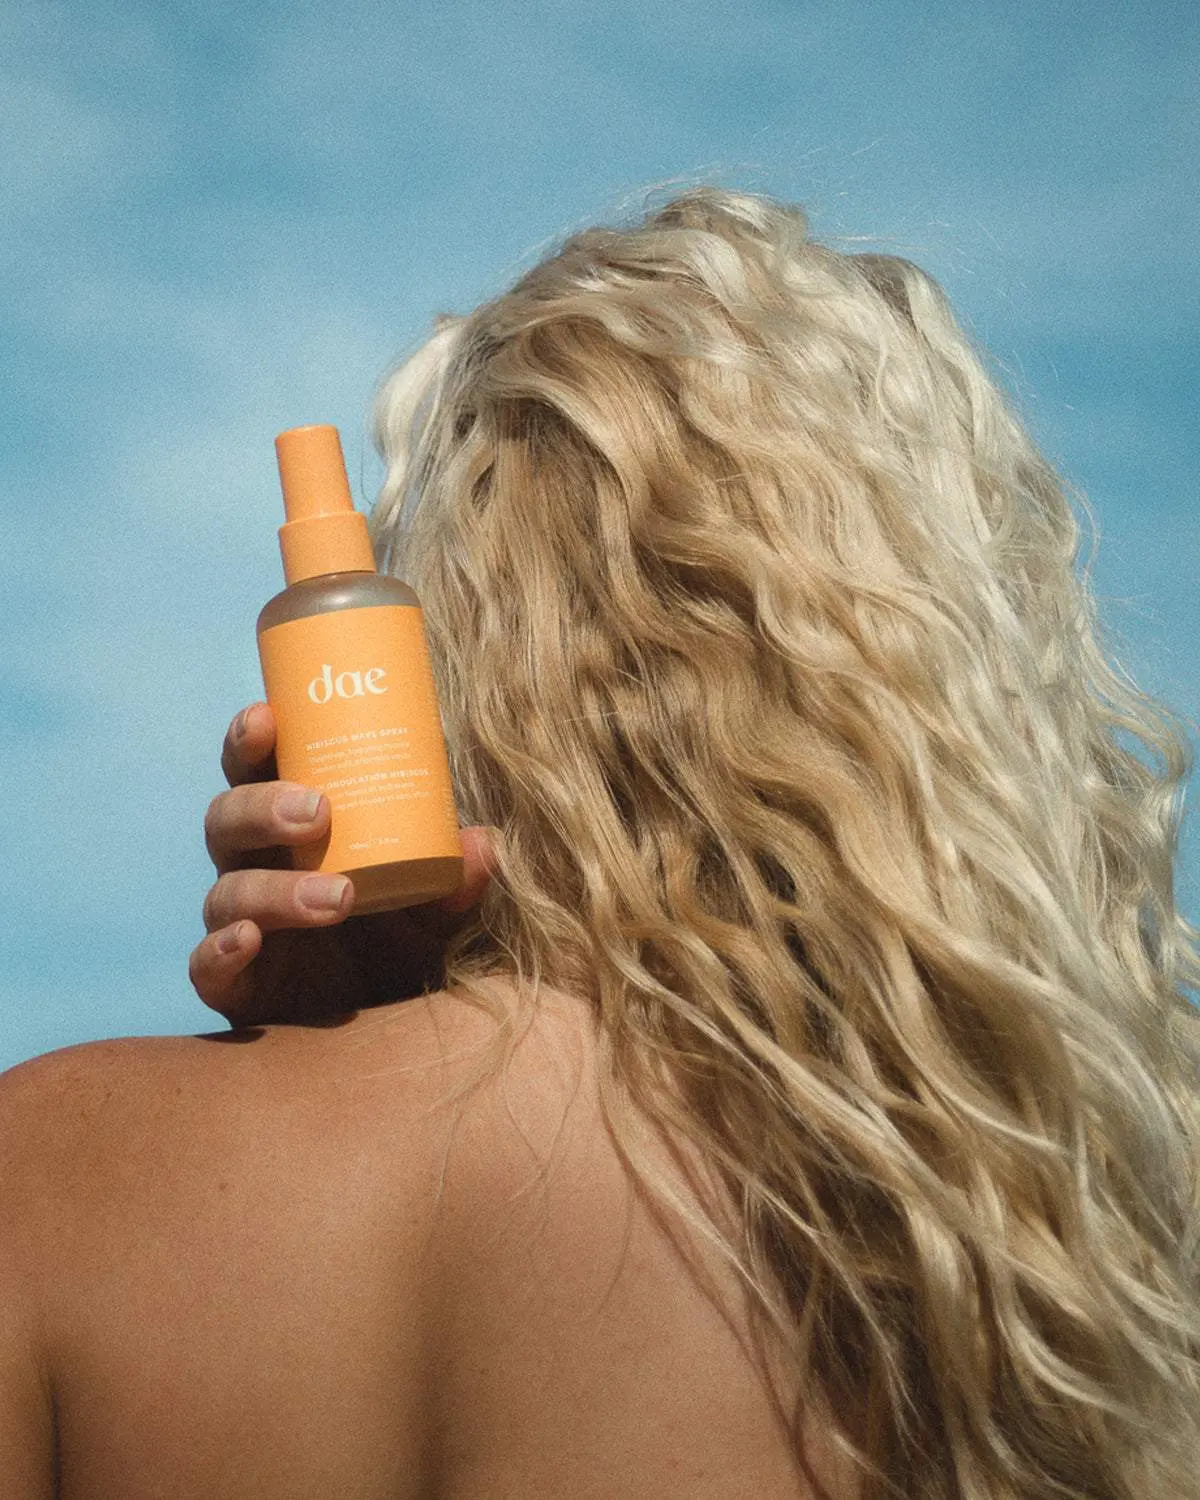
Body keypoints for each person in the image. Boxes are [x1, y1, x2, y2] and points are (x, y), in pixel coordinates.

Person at [2, 186, 1198, 1499]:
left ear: (443, 634)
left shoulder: (52, 1162)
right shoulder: (962, 1257)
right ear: (932, 676)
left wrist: (340, 1049)